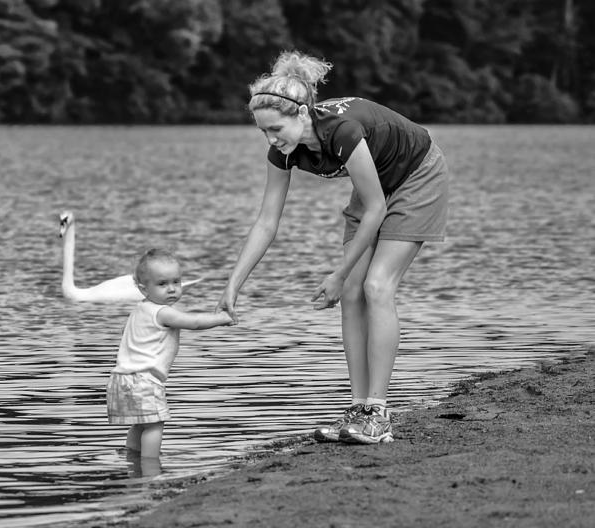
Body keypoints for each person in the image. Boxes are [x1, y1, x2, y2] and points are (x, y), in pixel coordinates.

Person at [216, 50, 449, 444]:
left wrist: (338, 274)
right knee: (351, 295)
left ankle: (378, 413)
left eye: (275, 129)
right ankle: (358, 410)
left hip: (416, 174)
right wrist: (233, 284)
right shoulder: (282, 152)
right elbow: (267, 221)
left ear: (303, 114)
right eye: (263, 132)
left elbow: (375, 208)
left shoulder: (341, 133)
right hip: (374, 183)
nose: (271, 140)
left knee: (376, 286)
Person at [107, 248, 233, 465]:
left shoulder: (138, 311)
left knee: (140, 424)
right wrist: (221, 318)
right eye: (162, 284)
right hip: (143, 380)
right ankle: (149, 466)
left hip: (121, 378)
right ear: (143, 288)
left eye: (177, 282)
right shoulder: (162, 312)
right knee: (155, 425)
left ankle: (133, 461)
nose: (172, 289)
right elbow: (193, 322)